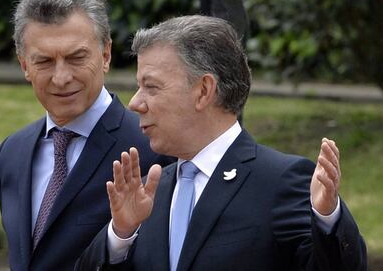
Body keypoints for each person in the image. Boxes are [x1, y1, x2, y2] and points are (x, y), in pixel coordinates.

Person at [75, 15, 368, 271]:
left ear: (203, 91)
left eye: (151, 87)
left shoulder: (279, 181)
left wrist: (327, 219)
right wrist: (120, 235)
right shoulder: (150, 192)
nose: (135, 103)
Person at [0, 0, 173, 271]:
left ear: (106, 55)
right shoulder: (11, 153)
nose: (61, 77)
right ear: (24, 65)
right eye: (44, 62)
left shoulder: (152, 149)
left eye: (77, 58)